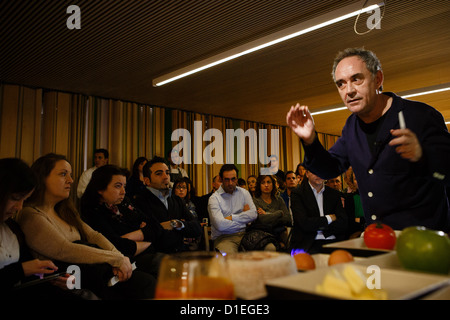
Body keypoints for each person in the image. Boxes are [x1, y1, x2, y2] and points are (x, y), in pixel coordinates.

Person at [286, 47, 450, 232]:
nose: (349, 90)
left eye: (356, 79)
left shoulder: (420, 116)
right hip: (377, 240)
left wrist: (423, 156)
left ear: (378, 79)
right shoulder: (351, 126)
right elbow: (329, 169)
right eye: (341, 83)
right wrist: (310, 140)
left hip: (425, 242)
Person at [15, 153, 155, 299]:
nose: (70, 180)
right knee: (145, 284)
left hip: (92, 272)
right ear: (42, 178)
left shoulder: (65, 210)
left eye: (70, 175)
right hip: (68, 282)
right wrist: (115, 259)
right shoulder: (31, 214)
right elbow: (64, 250)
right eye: (63, 174)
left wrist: (119, 257)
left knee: (147, 281)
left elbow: (94, 235)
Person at [0, 158, 83, 299]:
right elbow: (20, 271)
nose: (19, 207)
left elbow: (27, 275)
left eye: (24, 200)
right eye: (15, 198)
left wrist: (54, 279)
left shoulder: (11, 228)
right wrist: (22, 270)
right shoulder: (31, 215)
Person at [80, 165, 171, 284]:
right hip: (121, 264)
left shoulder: (124, 203)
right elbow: (117, 246)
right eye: (118, 186)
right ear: (100, 188)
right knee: (163, 266)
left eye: (124, 186)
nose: (123, 192)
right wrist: (147, 238)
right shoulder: (92, 211)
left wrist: (128, 237)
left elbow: (156, 226)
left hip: (144, 255)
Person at [133, 156, 202, 253]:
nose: (166, 177)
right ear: (147, 180)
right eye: (159, 174)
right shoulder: (140, 201)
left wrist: (177, 224)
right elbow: (153, 235)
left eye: (167, 173)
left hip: (180, 254)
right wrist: (183, 229)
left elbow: (197, 228)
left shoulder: (177, 200)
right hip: (155, 256)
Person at [289, 170, 348, 254]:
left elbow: (343, 222)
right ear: (307, 174)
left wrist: (320, 226)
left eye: (320, 169)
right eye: (314, 171)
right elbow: (304, 223)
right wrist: (329, 218)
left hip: (333, 240)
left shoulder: (334, 194)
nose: (318, 174)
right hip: (308, 242)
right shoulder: (298, 193)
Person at [207, 164, 257, 254]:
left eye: (233, 179)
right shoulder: (214, 199)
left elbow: (253, 214)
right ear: (221, 179)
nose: (230, 183)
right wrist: (244, 222)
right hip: (224, 238)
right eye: (227, 179)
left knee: (269, 248)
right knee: (231, 260)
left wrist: (232, 217)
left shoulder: (244, 193)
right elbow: (220, 225)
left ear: (237, 179)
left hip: (245, 235)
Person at [250, 175, 292, 250]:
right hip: (262, 236)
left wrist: (267, 214)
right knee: (271, 248)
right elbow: (261, 220)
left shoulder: (279, 200)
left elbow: (288, 219)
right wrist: (279, 213)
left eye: (268, 182)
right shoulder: (255, 200)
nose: (266, 185)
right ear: (259, 185)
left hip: (280, 234)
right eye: (263, 183)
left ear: (273, 184)